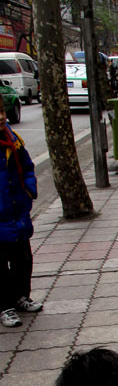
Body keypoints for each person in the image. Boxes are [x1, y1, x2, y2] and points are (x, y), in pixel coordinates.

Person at [0, 96, 42, 328]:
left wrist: (29, 190)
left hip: (17, 213)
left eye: (2, 110)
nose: (1, 116)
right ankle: (4, 306)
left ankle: (20, 297)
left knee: (23, 260)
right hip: (1, 216)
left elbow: (27, 167)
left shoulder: (13, 138)